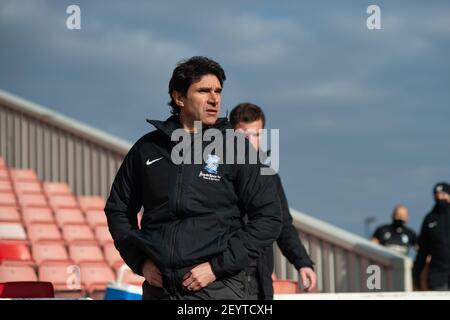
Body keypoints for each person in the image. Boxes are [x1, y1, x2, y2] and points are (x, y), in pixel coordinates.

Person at [104, 56, 282, 300]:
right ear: (179, 98)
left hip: (218, 289)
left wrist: (216, 268)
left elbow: (270, 218)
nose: (214, 99)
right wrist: (141, 262)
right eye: (203, 91)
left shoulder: (237, 150)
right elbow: (118, 209)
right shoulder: (147, 149)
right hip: (160, 291)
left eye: (218, 91)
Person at [229, 102, 316, 299]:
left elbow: (283, 224)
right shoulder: (216, 175)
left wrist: (302, 262)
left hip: (260, 281)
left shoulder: (270, 177)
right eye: (244, 135)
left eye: (256, 135)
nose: (251, 141)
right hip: (225, 280)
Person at [413, 182, 450, 290]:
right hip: (438, 274)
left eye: (443, 194)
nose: (439, 197)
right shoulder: (430, 219)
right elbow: (423, 250)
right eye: (437, 194)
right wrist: (416, 274)